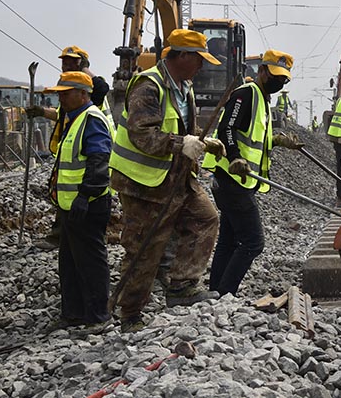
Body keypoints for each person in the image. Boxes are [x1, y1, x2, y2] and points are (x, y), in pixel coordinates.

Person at [109, 29, 227, 333]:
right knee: (146, 248)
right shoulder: (150, 86)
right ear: (182, 55)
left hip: (177, 177)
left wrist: (204, 142)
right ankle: (131, 313)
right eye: (199, 59)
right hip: (143, 181)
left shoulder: (183, 88)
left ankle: (181, 285)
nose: (203, 66)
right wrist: (180, 144)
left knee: (205, 218)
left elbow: (184, 129)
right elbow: (141, 134)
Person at [202, 50, 303, 296]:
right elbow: (227, 128)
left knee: (229, 239)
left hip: (239, 181)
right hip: (232, 178)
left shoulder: (262, 99)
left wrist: (279, 140)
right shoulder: (246, 94)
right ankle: (227, 292)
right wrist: (234, 156)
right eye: (276, 76)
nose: (279, 82)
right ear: (261, 71)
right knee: (253, 242)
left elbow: (256, 138)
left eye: (284, 79)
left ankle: (217, 291)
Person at [26, 46, 115, 251]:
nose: (65, 64)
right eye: (64, 61)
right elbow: (60, 114)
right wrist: (41, 111)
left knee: (82, 201)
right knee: (67, 197)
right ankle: (63, 236)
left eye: (71, 61)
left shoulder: (92, 90)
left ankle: (65, 236)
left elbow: (102, 87)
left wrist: (85, 70)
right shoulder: (73, 99)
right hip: (77, 153)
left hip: (93, 153)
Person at [44, 72, 113, 333]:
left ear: (83, 94)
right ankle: (73, 313)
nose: (61, 97)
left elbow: (99, 160)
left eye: (66, 92)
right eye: (60, 93)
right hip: (71, 206)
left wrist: (85, 195)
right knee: (70, 260)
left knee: (91, 261)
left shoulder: (91, 119)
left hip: (88, 205)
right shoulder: (74, 119)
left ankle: (98, 316)